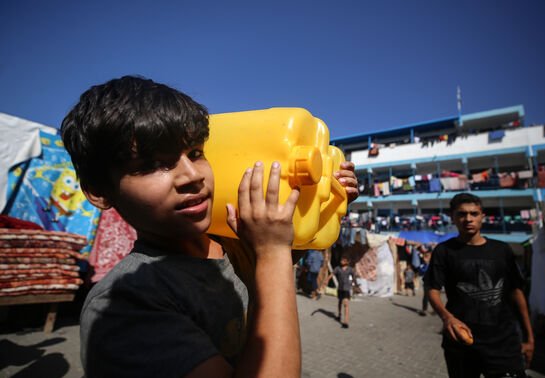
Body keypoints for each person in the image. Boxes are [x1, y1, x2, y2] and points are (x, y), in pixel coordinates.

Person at [61, 75, 359, 378]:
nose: (192, 175)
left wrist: (330, 199)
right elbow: (276, 265)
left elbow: (282, 270)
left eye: (195, 153)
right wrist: (272, 252)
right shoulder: (123, 309)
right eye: (152, 165)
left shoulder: (230, 242)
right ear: (99, 191)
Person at [424, 193, 534, 378]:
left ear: (482, 216)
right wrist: (447, 318)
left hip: (503, 343)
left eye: (474, 213)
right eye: (461, 214)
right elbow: (432, 288)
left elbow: (516, 292)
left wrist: (529, 337)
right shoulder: (444, 251)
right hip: (461, 342)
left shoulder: (502, 250)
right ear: (452, 217)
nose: (468, 219)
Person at [322, 255, 356, 328]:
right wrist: (326, 280)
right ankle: (339, 315)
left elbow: (353, 278)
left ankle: (346, 321)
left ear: (347, 262)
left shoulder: (350, 270)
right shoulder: (338, 268)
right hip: (340, 288)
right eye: (341, 260)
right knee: (340, 302)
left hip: (347, 289)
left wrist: (352, 284)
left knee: (346, 304)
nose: (342, 261)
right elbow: (332, 274)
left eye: (343, 260)